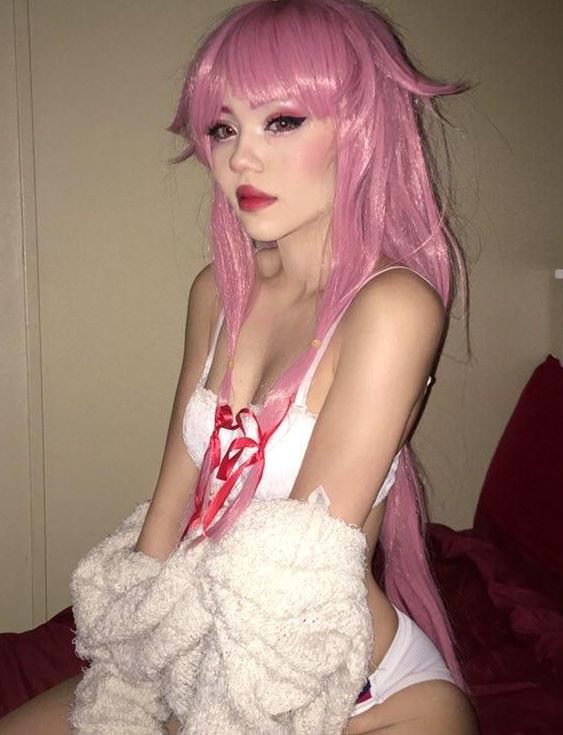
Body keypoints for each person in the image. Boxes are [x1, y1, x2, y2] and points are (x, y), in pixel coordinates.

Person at [0, 0, 479, 732]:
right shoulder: (215, 293)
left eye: (281, 121)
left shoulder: (393, 308)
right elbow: (168, 510)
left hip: (354, 692)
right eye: (224, 128)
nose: (240, 159)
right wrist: (131, 665)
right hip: (199, 655)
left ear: (360, 126)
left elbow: (291, 576)